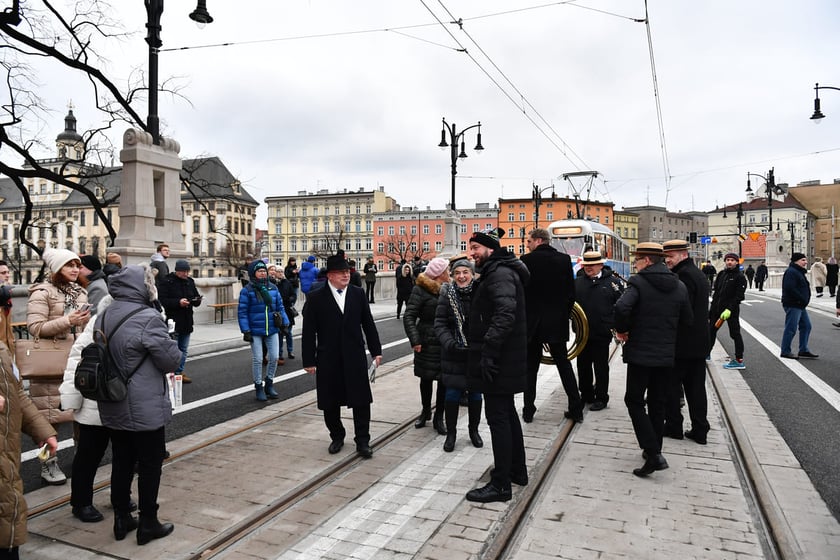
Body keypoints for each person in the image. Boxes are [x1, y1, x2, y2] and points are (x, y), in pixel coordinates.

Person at [96, 265, 182, 545]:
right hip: (143, 404)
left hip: (112, 399)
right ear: (143, 288)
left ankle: (122, 518)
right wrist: (170, 339)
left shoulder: (104, 314)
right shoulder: (148, 317)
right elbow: (170, 360)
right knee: (149, 464)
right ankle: (148, 522)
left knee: (121, 460)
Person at [614, 242, 692, 477]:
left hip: (640, 354)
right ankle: (653, 451)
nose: (635, 264)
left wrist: (623, 330)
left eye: (637, 260)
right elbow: (688, 320)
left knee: (634, 400)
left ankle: (653, 451)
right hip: (666, 355)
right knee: (658, 403)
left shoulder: (638, 283)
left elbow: (620, 308)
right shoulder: (679, 286)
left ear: (647, 261)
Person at [464, 228, 529, 503]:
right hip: (506, 357)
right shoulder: (497, 271)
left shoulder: (499, 274)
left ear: (490, 249)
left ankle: (501, 484)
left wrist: (488, 352)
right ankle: (517, 470)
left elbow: (504, 315)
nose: (472, 254)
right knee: (508, 415)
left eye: (476, 248)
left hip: (499, 359)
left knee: (498, 418)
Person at [302, 251, 382, 458]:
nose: (346, 275)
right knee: (330, 401)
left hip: (355, 355)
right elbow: (309, 332)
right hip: (328, 357)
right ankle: (337, 435)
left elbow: (368, 324)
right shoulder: (316, 297)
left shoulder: (357, 293)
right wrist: (309, 360)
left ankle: (363, 440)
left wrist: (376, 351)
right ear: (330, 275)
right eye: (340, 272)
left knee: (361, 401)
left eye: (347, 271)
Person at [27, 248, 90, 485]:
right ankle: (47, 465)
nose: (75, 269)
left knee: (80, 417)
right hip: (49, 365)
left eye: (77, 265)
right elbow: (35, 327)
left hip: (75, 363)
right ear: (57, 269)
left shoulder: (81, 292)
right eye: (69, 265)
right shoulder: (42, 292)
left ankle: (81, 459)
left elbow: (83, 330)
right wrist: (68, 321)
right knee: (46, 423)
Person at [0, 343, 59, 559]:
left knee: (8, 530)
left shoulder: (1, 351)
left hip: (7, 465)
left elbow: (18, 395)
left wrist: (42, 431)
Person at [520, 227, 582, 424]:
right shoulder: (564, 260)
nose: (527, 245)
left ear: (538, 240)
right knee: (564, 365)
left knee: (531, 368)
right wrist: (562, 315)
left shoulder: (526, 261)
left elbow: (522, 294)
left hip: (533, 324)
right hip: (557, 323)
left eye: (529, 241)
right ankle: (576, 408)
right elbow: (571, 294)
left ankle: (528, 410)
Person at [662, 240, 711, 445]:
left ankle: (674, 426)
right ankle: (700, 429)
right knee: (696, 389)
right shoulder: (698, 274)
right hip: (699, 343)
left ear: (682, 255)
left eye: (670, 257)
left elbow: (682, 310)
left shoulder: (683, 277)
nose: (667, 261)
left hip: (682, 343)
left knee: (672, 387)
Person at [434, 256, 483, 452]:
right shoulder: (447, 293)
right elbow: (440, 323)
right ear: (452, 276)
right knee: (452, 393)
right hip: (453, 352)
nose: (461, 276)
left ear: (472, 274)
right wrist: (450, 343)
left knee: (476, 393)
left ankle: (474, 431)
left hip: (475, 352)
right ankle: (452, 433)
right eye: (457, 273)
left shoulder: (480, 293)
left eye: (465, 272)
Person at [403, 257, 450, 435]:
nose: (449, 273)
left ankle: (439, 417)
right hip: (426, 341)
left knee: (444, 380)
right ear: (439, 274)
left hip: (445, 340)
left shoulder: (450, 289)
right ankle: (425, 412)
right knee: (426, 378)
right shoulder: (420, 289)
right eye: (446, 270)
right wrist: (415, 340)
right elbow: (409, 316)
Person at [574, 251, 624, 411]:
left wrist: (615, 325)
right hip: (582, 333)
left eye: (592, 265)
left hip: (602, 332)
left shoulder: (613, 282)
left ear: (601, 265)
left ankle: (602, 397)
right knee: (583, 365)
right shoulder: (578, 283)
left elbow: (621, 305)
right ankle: (586, 394)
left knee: (601, 366)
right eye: (586, 265)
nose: (589, 268)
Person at [238, 260, 289, 401]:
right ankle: (259, 386)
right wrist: (246, 330)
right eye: (259, 271)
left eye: (264, 271)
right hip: (255, 330)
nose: (262, 273)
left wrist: (285, 322)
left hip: (272, 328)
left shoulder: (273, 288)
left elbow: (280, 307)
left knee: (274, 357)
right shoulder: (247, 290)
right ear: (253, 273)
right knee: (258, 359)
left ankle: (269, 383)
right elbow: (242, 312)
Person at [157, 260, 202, 384]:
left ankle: (179, 373)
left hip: (187, 319)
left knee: (183, 348)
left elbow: (195, 296)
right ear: (177, 270)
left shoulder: (190, 282)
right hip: (173, 321)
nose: (186, 274)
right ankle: (169, 373)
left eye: (187, 271)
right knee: (173, 349)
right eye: (183, 271)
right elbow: (162, 301)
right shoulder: (167, 282)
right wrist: (178, 302)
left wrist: (197, 301)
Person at [709, 253, 747, 369]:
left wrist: (729, 309)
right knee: (711, 331)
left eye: (732, 260)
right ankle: (706, 353)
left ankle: (739, 360)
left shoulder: (740, 277)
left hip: (731, 311)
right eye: (728, 260)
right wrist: (712, 310)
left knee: (735, 334)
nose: (729, 262)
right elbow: (717, 293)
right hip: (717, 308)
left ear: (737, 262)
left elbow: (739, 296)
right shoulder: (722, 274)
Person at [780, 253, 819, 360]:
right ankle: (785, 351)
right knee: (791, 328)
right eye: (803, 260)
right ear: (796, 261)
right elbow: (790, 288)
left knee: (806, 326)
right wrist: (801, 299)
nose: (805, 262)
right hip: (793, 304)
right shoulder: (791, 272)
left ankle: (803, 350)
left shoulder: (798, 272)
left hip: (799, 305)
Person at [275, 268, 297, 363]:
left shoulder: (287, 283)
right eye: (278, 272)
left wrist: (291, 299)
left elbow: (293, 294)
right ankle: (280, 353)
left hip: (287, 310)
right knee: (279, 334)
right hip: (279, 311)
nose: (280, 273)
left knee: (289, 332)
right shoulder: (274, 284)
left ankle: (290, 351)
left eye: (281, 272)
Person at [0, 261, 15, 360]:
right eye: (3, 273)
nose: (7, 275)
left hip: (8, 350)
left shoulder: (6, 300)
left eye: (8, 272)